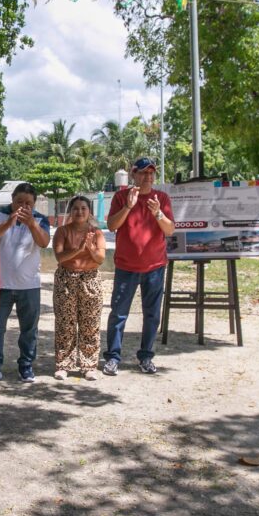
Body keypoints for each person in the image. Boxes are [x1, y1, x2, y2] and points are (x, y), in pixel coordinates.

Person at [101, 157, 175, 376]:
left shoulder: (161, 198)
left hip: (155, 266)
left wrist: (158, 213)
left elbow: (169, 230)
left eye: (151, 173)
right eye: (143, 173)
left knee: (152, 314)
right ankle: (113, 357)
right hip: (126, 267)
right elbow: (113, 225)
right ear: (133, 174)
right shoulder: (122, 196)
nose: (147, 177)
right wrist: (128, 207)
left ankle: (146, 356)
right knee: (119, 313)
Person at [0, 183, 50, 383]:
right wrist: (9, 223)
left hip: (29, 285)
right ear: (12, 199)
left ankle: (26, 364)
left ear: (34, 204)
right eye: (19, 202)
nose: (23, 206)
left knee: (29, 328)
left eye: (28, 203)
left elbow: (44, 242)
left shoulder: (40, 219)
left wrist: (32, 224)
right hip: (0, 285)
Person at [52, 196, 107, 380]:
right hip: (66, 280)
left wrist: (90, 248)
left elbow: (100, 259)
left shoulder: (97, 233)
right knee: (65, 324)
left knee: (90, 323)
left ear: (89, 211)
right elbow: (60, 257)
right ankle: (63, 364)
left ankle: (89, 365)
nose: (79, 212)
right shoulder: (62, 231)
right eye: (75, 208)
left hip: (90, 280)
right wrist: (79, 248)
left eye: (83, 208)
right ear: (70, 211)